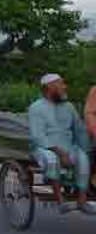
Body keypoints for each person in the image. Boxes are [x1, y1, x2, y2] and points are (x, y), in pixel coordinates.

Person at [28, 74, 95, 214]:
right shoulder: (36, 108)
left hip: (68, 147)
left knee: (83, 158)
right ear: (49, 87)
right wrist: (60, 152)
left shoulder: (68, 107)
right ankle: (60, 201)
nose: (64, 87)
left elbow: (79, 130)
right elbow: (37, 136)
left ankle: (82, 201)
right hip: (44, 148)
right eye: (61, 84)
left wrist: (87, 148)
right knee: (52, 160)